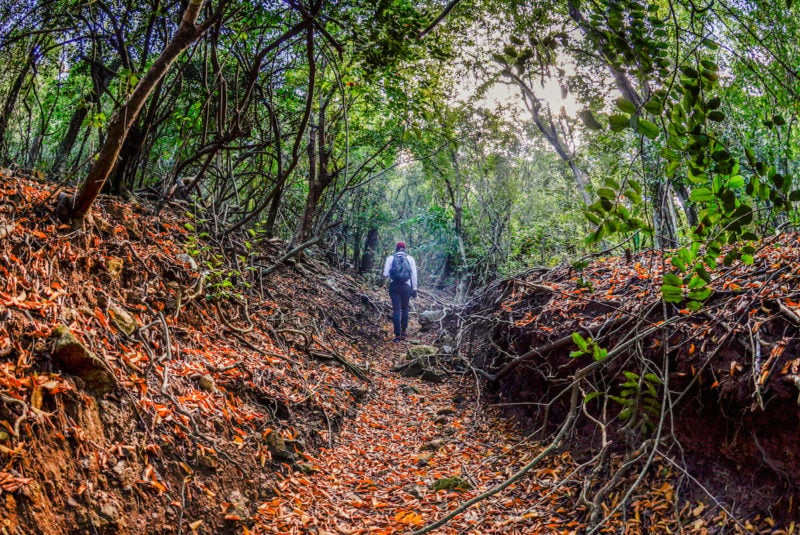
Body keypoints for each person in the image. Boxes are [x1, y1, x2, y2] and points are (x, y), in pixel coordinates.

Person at [382, 241, 418, 342]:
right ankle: (404, 332)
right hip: (406, 287)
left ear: (396, 248)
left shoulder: (390, 258)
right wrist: (414, 288)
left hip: (394, 286)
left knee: (396, 309)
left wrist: (393, 277)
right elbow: (414, 275)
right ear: (404, 248)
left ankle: (397, 335)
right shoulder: (410, 259)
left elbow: (385, 274)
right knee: (405, 308)